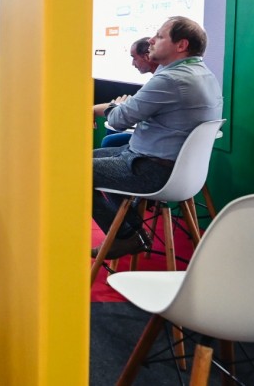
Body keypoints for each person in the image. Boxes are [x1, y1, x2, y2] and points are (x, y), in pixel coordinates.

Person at [91, 16, 222, 259]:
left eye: (159, 36)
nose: (151, 40)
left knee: (74, 171)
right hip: (173, 167)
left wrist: (110, 108)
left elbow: (118, 120)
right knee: (90, 158)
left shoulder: (171, 79)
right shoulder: (203, 74)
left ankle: (126, 236)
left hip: (154, 169)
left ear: (181, 45)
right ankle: (132, 233)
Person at [92, 36, 159, 148]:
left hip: (151, 145)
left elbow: (119, 119)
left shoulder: (158, 84)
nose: (132, 63)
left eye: (134, 58)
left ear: (147, 57)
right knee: (109, 140)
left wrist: (117, 107)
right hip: (151, 137)